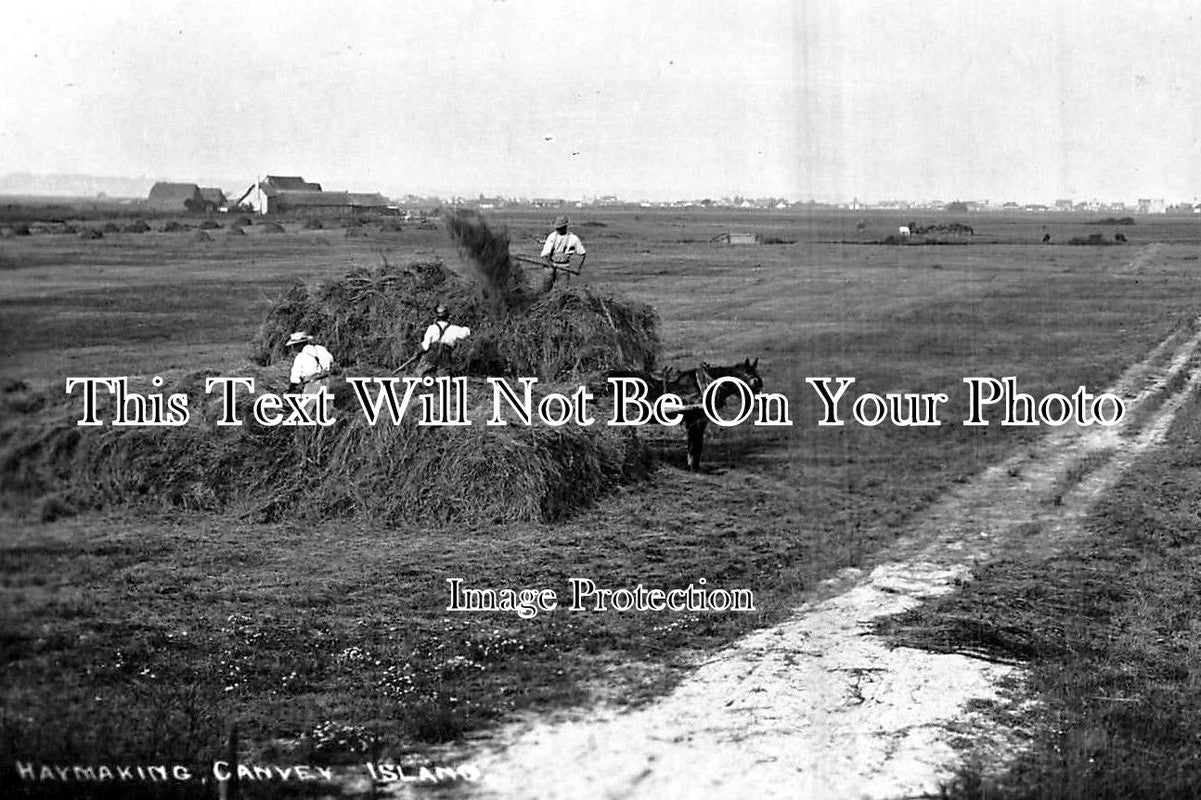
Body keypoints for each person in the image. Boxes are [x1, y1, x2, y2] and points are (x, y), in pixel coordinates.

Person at [419, 304, 471, 377]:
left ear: (436, 316)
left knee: (421, 374)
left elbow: (425, 347)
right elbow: (467, 332)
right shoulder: (455, 329)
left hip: (431, 356)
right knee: (444, 378)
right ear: (448, 316)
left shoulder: (431, 328)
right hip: (445, 356)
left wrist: (419, 352)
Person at [539, 215, 587, 290]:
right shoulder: (552, 236)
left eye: (560, 228)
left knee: (563, 291)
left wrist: (578, 268)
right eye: (557, 228)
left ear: (565, 227)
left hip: (564, 268)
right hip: (550, 266)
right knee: (545, 289)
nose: (558, 230)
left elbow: (582, 254)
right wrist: (548, 263)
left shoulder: (573, 238)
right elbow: (545, 253)